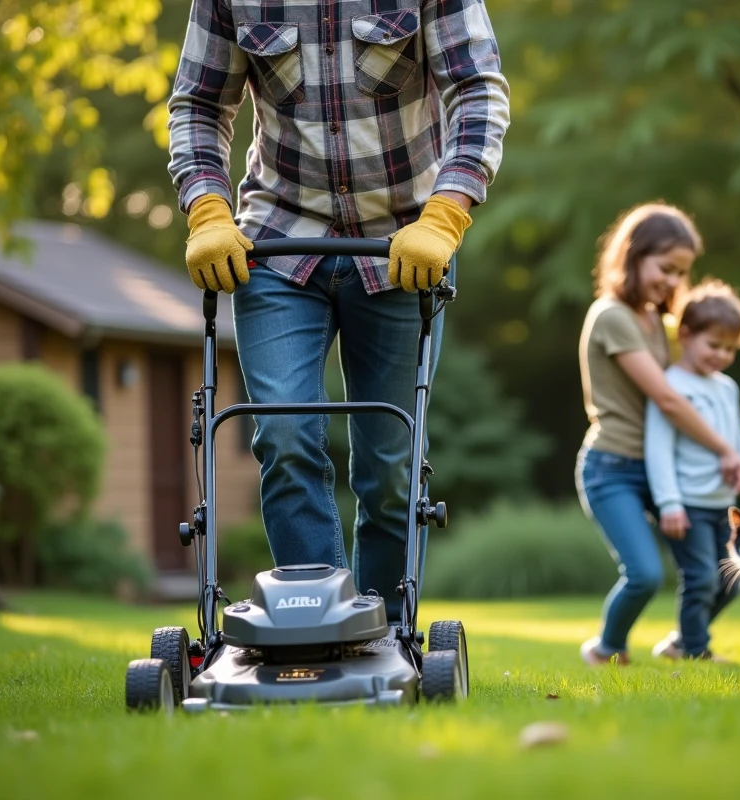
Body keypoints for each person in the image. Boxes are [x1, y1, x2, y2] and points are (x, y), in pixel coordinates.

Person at [166, 0, 510, 622]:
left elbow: (477, 91)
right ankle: (312, 622)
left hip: (405, 243)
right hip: (278, 238)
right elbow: (197, 104)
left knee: (387, 466)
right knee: (284, 432)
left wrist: (446, 212)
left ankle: (380, 627)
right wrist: (208, 210)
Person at [575, 203, 740, 666]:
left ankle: (685, 643)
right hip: (612, 467)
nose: (674, 282)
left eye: (682, 273)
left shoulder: (658, 321)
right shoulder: (611, 316)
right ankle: (606, 649)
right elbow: (669, 400)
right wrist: (724, 449)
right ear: (633, 257)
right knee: (644, 574)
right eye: (666, 268)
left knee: (726, 572)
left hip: (662, 469)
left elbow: (692, 380)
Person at [644, 279, 740, 662]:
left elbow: (738, 440)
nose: (722, 355)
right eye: (714, 345)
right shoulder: (670, 386)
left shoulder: (727, 387)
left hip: (722, 505)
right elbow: (658, 450)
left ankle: (683, 640)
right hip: (688, 506)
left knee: (732, 585)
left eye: (730, 348)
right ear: (686, 334)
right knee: (701, 579)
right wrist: (669, 504)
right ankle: (696, 651)